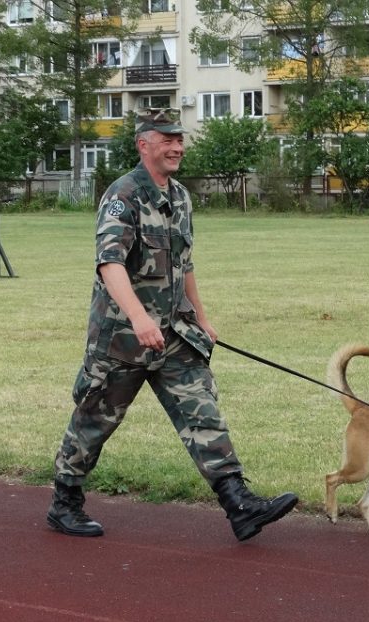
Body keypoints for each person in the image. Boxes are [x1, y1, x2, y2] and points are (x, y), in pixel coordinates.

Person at [46, 108, 298, 541]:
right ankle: (64, 501)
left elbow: (185, 263)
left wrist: (201, 316)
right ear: (144, 144)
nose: (177, 147)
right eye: (167, 139)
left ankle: (238, 503)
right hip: (122, 338)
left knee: (202, 411)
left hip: (176, 334)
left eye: (180, 139)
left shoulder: (180, 196)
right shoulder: (122, 196)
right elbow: (109, 264)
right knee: (94, 421)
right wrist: (140, 319)